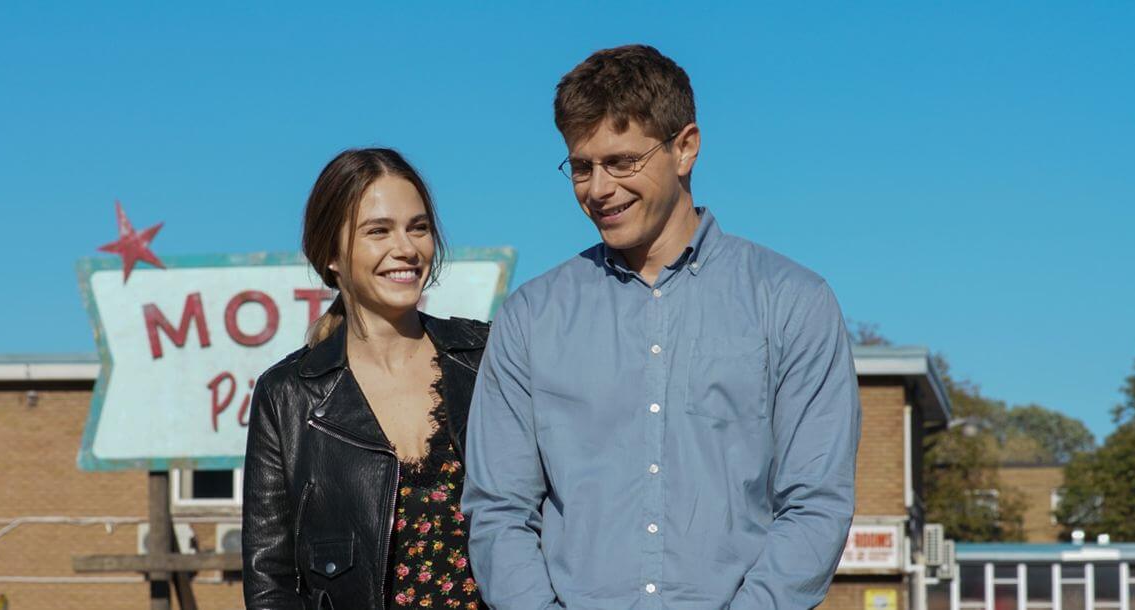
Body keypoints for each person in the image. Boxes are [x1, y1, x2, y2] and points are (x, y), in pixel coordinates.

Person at [462, 45, 862, 609]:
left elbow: (816, 503)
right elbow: (499, 509)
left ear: (685, 148)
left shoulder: (793, 302)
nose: (598, 189)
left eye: (622, 162)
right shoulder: (530, 317)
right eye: (581, 166)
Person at [243, 148, 488, 610]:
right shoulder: (288, 396)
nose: (407, 248)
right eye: (379, 231)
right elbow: (269, 585)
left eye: (418, 227)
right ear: (331, 253)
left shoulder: (486, 359)